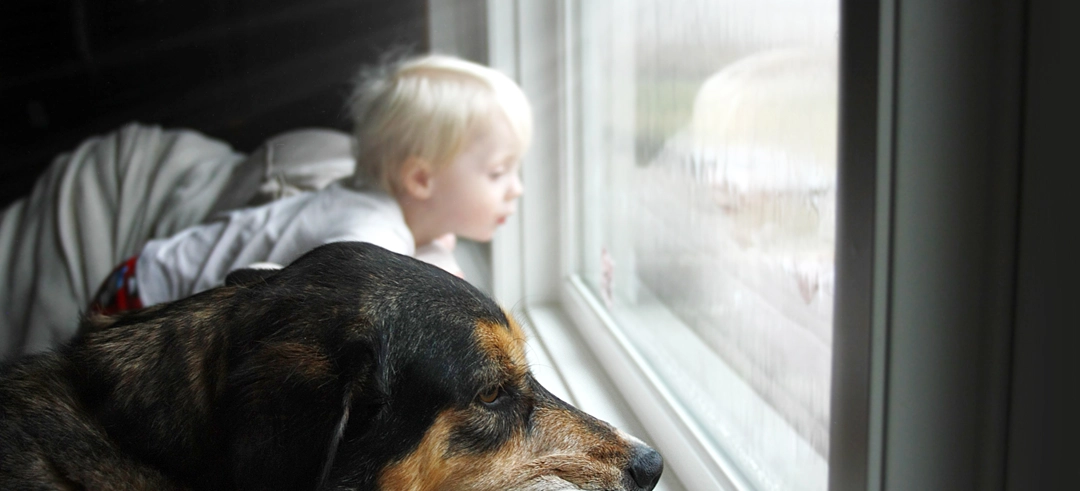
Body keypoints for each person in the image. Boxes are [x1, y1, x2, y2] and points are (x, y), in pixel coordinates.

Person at [88, 53, 532, 314]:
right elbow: (287, 305)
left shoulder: (386, 208)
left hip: (140, 271)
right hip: (140, 300)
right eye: (498, 173)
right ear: (419, 179)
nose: (517, 188)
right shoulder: (368, 235)